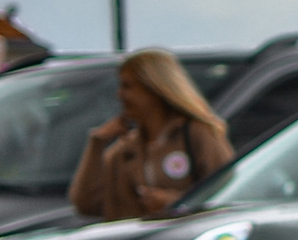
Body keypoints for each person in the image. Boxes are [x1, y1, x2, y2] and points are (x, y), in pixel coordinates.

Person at [69, 48, 236, 221]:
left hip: (182, 239)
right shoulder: (125, 149)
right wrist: (96, 144)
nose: (120, 95)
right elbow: (87, 205)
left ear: (154, 88)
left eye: (128, 86)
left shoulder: (196, 134)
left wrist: (175, 203)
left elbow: (229, 193)